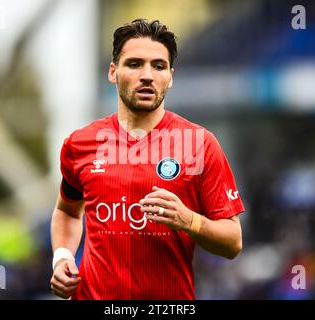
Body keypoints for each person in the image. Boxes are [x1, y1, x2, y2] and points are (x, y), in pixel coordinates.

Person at [50, 18, 245, 300]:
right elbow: (67, 211)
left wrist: (190, 220)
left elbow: (233, 242)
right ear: (113, 72)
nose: (147, 75)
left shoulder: (200, 144)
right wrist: (63, 257)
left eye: (158, 66)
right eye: (134, 64)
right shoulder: (80, 144)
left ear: (171, 77)